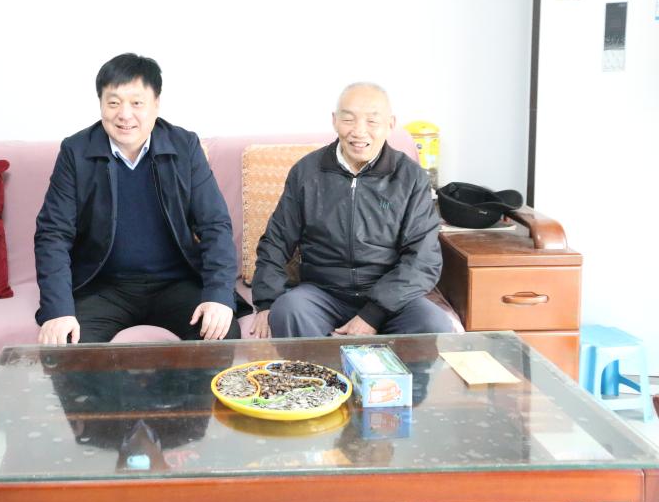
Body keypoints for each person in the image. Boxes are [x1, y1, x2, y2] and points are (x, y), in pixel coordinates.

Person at [34, 53, 246, 345]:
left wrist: (219, 296)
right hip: (102, 286)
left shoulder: (184, 146)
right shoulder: (75, 151)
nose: (125, 114)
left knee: (219, 334)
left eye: (136, 103)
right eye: (113, 103)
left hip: (176, 283)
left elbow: (214, 225)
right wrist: (58, 310)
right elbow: (53, 234)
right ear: (100, 104)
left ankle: (173, 380)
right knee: (68, 346)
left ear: (156, 104)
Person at [250, 82, 454, 339]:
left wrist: (372, 315)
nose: (359, 131)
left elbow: (423, 258)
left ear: (390, 124)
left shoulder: (410, 177)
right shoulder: (306, 172)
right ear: (334, 121)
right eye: (348, 119)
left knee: (433, 323)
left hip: (390, 300)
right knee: (288, 310)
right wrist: (266, 302)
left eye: (372, 121)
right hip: (323, 293)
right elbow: (276, 240)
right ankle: (320, 367)